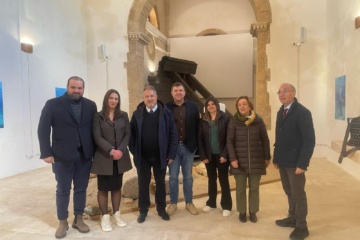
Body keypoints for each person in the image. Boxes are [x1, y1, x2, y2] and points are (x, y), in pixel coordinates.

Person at [38, 76, 97, 239]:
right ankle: (62, 221)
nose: (76, 91)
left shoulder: (90, 105)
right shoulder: (53, 104)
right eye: (73, 87)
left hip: (84, 155)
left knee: (81, 188)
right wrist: (46, 152)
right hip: (61, 156)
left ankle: (78, 218)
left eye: (80, 88)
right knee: (63, 189)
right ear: (67, 87)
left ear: (83, 89)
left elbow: (94, 130)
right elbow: (43, 129)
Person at [129, 85, 178, 223]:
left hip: (160, 156)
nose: (149, 99)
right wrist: (134, 151)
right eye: (147, 96)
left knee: (160, 184)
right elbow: (130, 135)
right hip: (143, 157)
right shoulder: (137, 114)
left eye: (152, 96)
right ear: (143, 98)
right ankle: (143, 210)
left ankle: (161, 209)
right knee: (143, 184)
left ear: (156, 97)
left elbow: (173, 135)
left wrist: (171, 154)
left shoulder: (166, 113)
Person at [273, 83, 315, 240]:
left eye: (285, 91)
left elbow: (309, 140)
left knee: (298, 194)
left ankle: (302, 226)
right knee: (288, 191)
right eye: (279, 92)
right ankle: (292, 218)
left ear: (293, 93)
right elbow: (279, 137)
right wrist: (276, 157)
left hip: (295, 163)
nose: (281, 94)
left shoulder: (302, 112)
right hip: (283, 161)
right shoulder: (280, 112)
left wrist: (302, 164)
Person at [91, 89, 132, 232]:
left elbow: (127, 134)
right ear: (106, 99)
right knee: (103, 188)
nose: (114, 101)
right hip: (104, 157)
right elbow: (97, 136)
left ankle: (116, 214)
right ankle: (105, 217)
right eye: (111, 98)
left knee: (116, 187)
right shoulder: (98, 116)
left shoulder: (123, 115)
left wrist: (120, 150)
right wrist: (111, 150)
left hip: (119, 157)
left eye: (116, 98)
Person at [227, 96, 270, 223]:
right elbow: (229, 141)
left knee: (254, 188)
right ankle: (242, 211)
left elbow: (265, 139)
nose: (242, 106)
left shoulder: (258, 120)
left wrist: (267, 156)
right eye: (239, 104)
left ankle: (253, 212)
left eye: (244, 104)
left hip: (256, 160)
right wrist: (233, 159)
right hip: (239, 161)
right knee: (240, 189)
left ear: (249, 106)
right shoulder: (233, 121)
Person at [166, 82, 200, 216]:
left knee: (188, 177)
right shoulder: (166, 107)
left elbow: (197, 127)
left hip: (188, 147)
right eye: (176, 90)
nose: (178, 93)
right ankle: (173, 203)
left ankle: (189, 203)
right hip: (173, 148)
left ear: (184, 92)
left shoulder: (193, 106)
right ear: (172, 93)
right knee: (173, 177)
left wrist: (196, 145)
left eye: (181, 90)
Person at [198, 96, 232, 217]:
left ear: (216, 105)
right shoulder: (203, 120)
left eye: (213, 104)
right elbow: (200, 139)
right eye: (208, 105)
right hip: (209, 156)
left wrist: (225, 154)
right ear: (206, 107)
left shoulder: (225, 118)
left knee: (223, 180)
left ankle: (226, 205)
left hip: (222, 156)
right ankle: (211, 203)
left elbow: (229, 138)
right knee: (211, 180)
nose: (211, 106)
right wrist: (203, 155)